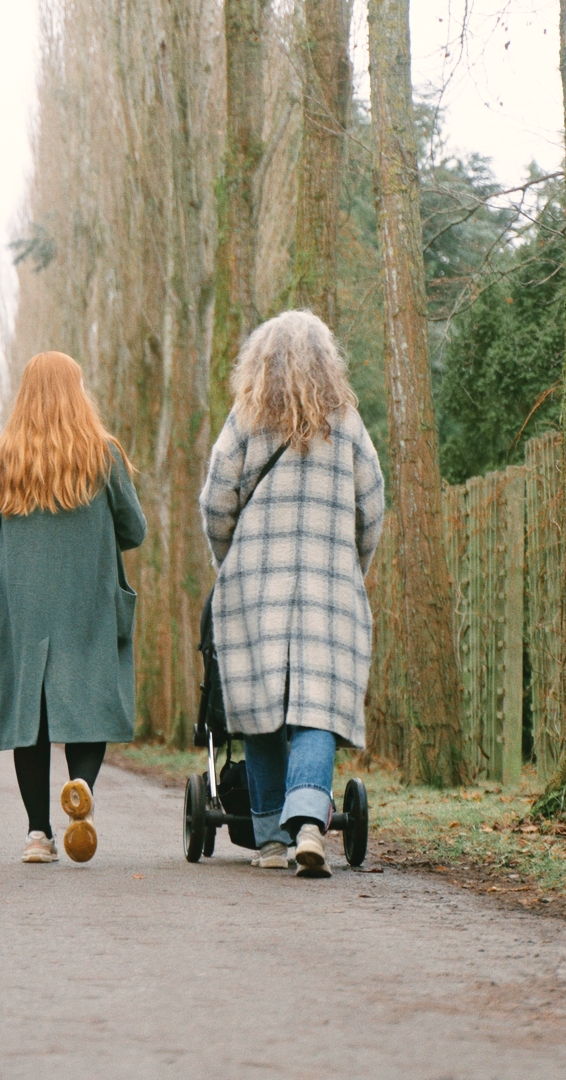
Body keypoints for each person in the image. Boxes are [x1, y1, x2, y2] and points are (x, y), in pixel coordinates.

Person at [200, 310, 384, 879]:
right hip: (329, 583)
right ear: (326, 361)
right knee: (317, 704)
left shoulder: (245, 419)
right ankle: (310, 821)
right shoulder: (346, 421)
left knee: (260, 707)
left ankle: (271, 833)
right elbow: (372, 504)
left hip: (257, 584)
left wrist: (230, 562)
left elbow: (215, 502)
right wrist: (354, 565)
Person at [0, 351, 147, 864]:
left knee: (27, 716)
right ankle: (80, 786)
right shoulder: (103, 455)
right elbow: (135, 530)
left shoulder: (3, 457)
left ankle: (38, 835)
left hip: (24, 608)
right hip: (89, 604)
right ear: (78, 393)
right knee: (91, 704)